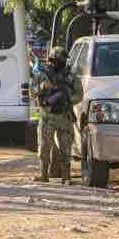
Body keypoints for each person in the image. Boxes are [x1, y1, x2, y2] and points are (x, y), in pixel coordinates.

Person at [31, 47, 80, 184]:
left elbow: (79, 94)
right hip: (47, 115)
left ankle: (66, 177)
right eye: (55, 60)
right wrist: (43, 87)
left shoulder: (70, 76)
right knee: (44, 147)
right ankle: (43, 174)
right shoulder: (42, 75)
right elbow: (32, 92)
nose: (56, 63)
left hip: (64, 115)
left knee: (66, 147)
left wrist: (68, 98)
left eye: (60, 60)